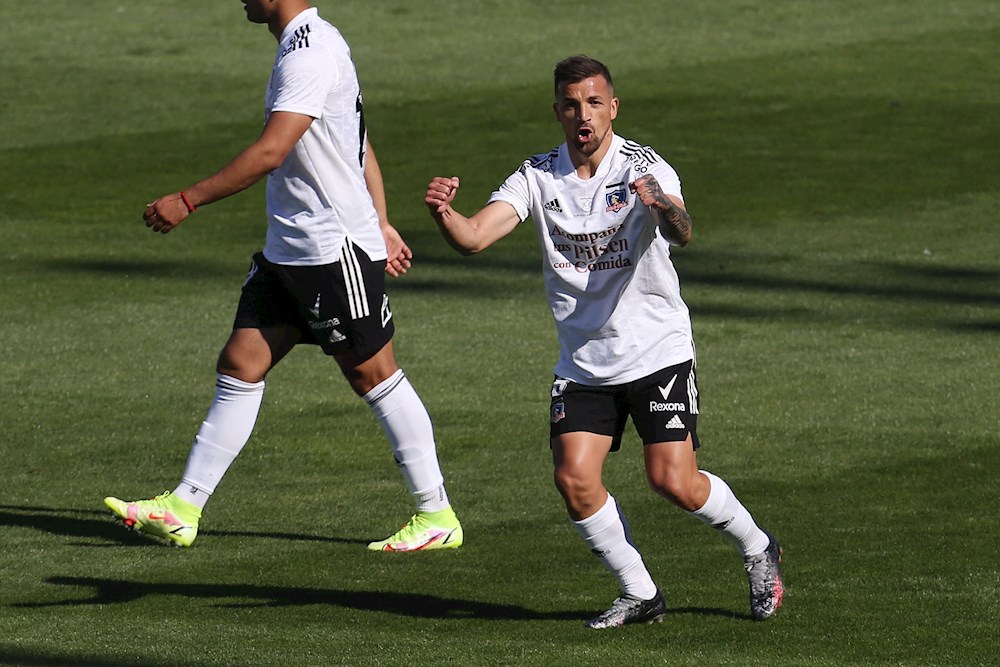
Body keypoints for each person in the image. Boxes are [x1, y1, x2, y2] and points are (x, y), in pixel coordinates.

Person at [424, 55, 782, 627]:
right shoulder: (537, 175)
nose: (582, 115)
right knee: (574, 478)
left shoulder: (643, 167)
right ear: (558, 112)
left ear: (613, 107)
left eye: (594, 103)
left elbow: (683, 232)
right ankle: (640, 593)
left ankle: (758, 546)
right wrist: (446, 213)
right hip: (586, 361)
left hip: (656, 350)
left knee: (673, 481)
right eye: (571, 105)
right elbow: (474, 237)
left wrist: (662, 206)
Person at [104, 0, 462, 554]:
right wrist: (383, 221)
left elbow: (273, 151)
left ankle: (436, 513)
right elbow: (357, 143)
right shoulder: (306, 42)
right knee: (240, 365)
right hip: (290, 251)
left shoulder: (310, 51)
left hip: (328, 249)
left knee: (374, 374)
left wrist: (187, 199)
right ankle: (182, 508)